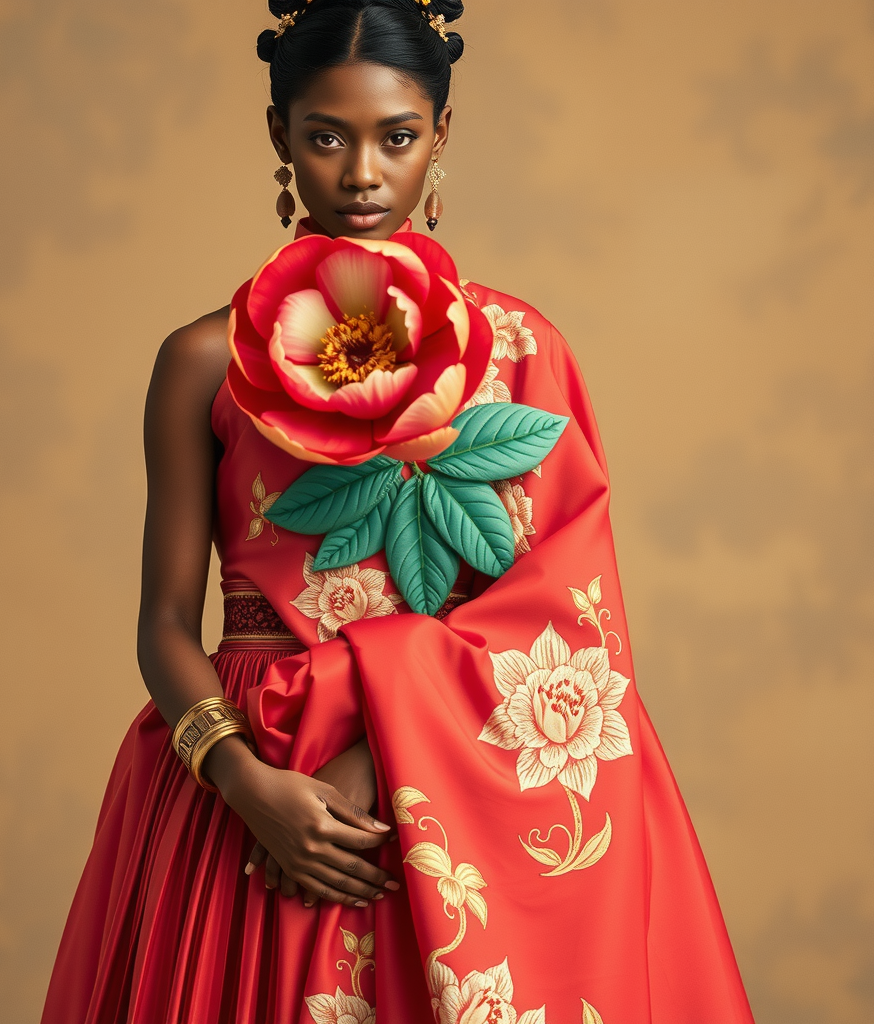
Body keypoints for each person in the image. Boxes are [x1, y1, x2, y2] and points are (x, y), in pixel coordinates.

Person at [41, 2, 757, 1021]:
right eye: (326, 136)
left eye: (397, 136)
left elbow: (563, 610)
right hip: (249, 774)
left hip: (437, 778)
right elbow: (164, 621)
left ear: (442, 135)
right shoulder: (203, 359)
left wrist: (379, 757)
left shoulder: (516, 355)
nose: (362, 173)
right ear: (279, 136)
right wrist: (245, 783)